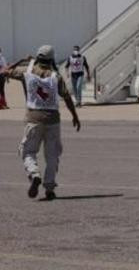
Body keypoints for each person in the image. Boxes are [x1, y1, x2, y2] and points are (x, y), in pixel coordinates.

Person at [1, 45, 81, 200]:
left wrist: (21, 60)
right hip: (53, 120)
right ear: (51, 59)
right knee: (52, 156)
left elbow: (4, 71)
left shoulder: (26, 73)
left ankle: (34, 174)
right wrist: (75, 116)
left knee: (28, 151)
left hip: (34, 119)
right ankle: (49, 188)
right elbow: (67, 97)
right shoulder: (56, 77)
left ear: (38, 57)